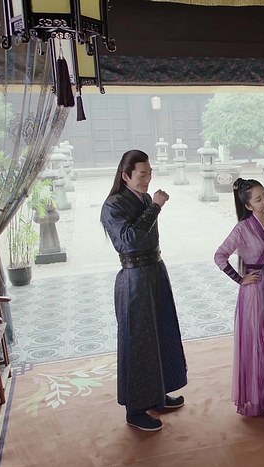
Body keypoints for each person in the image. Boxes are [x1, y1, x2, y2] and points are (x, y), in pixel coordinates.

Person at [100, 149, 188, 432]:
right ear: (125, 175)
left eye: (149, 173)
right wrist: (155, 208)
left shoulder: (146, 198)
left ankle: (157, 394)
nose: (147, 179)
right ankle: (136, 410)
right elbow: (129, 240)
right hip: (134, 276)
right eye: (141, 174)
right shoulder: (113, 205)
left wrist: (152, 205)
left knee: (161, 332)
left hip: (155, 270)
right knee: (137, 341)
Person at [214, 178, 264, 419]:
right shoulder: (242, 229)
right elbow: (220, 256)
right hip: (252, 290)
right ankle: (257, 398)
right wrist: (240, 279)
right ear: (248, 206)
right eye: (258, 199)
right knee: (255, 340)